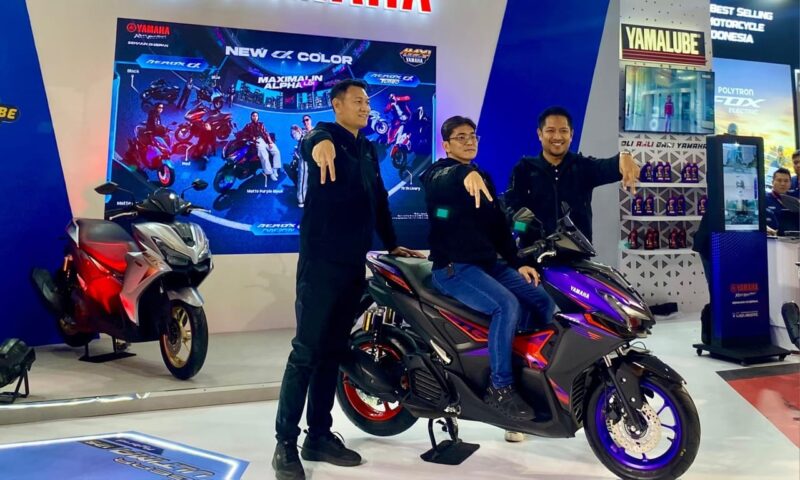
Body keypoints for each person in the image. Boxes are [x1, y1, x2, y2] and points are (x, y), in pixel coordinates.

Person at [272, 79, 423, 480]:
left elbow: (378, 199)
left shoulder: (367, 148)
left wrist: (391, 243)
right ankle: (284, 443)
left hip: (353, 264)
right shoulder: (325, 138)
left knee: (333, 351)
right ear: (337, 105)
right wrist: (316, 139)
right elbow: (313, 141)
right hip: (320, 264)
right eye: (357, 101)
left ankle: (319, 435)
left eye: (366, 102)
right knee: (306, 352)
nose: (365, 107)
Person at [422, 115, 556, 422]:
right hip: (454, 269)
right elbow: (440, 182)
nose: (469, 141)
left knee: (541, 299)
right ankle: (500, 387)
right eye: (461, 137)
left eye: (473, 136)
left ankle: (527, 368)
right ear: (446, 145)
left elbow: (499, 230)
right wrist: (464, 173)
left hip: (487, 264)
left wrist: (519, 263)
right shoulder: (438, 173)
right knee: (505, 305)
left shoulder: (481, 176)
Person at [506, 106, 640, 244]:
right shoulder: (525, 168)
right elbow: (513, 210)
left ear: (571, 135)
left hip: (578, 252)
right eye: (550, 131)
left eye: (563, 131)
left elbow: (609, 166)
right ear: (540, 134)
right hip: (535, 252)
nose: (557, 137)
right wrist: (527, 232)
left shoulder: (582, 166)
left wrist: (624, 156)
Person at [242, 111, 282, 186]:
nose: (255, 117)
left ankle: (275, 169)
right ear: (251, 117)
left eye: (256, 116)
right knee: (264, 156)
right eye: (253, 116)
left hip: (265, 140)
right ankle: (270, 173)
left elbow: (266, 133)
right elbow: (243, 133)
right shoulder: (248, 125)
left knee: (276, 151)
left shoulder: (261, 124)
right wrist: (250, 138)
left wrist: (270, 142)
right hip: (257, 141)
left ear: (258, 117)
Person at [766, 168, 792, 234]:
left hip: (793, 239)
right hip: (770, 238)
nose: (783, 184)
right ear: (772, 182)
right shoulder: (763, 199)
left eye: (786, 181)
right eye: (779, 180)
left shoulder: (794, 200)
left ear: (790, 183)